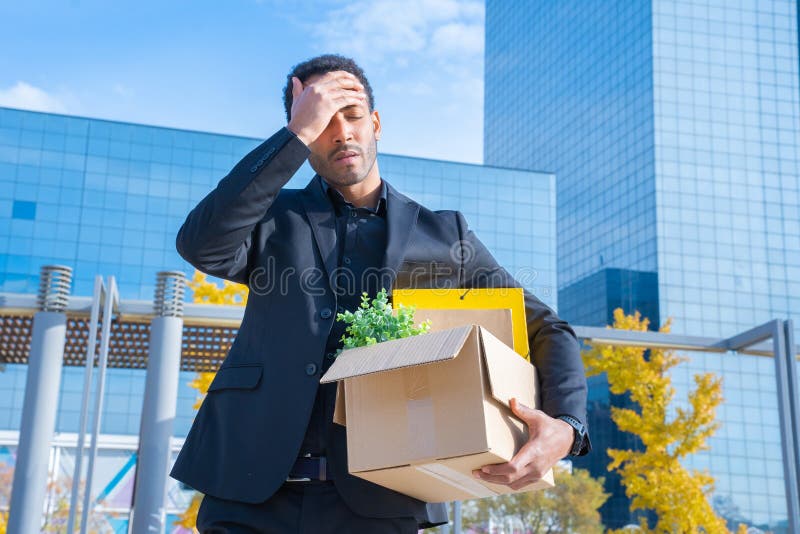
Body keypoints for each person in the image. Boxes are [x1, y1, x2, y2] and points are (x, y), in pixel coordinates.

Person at [171, 54, 590, 533]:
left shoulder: (443, 233)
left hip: (382, 500)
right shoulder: (268, 218)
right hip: (247, 494)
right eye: (321, 120)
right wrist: (293, 135)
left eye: (350, 115)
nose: (341, 132)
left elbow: (547, 327)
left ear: (375, 123)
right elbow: (200, 244)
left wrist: (566, 427)